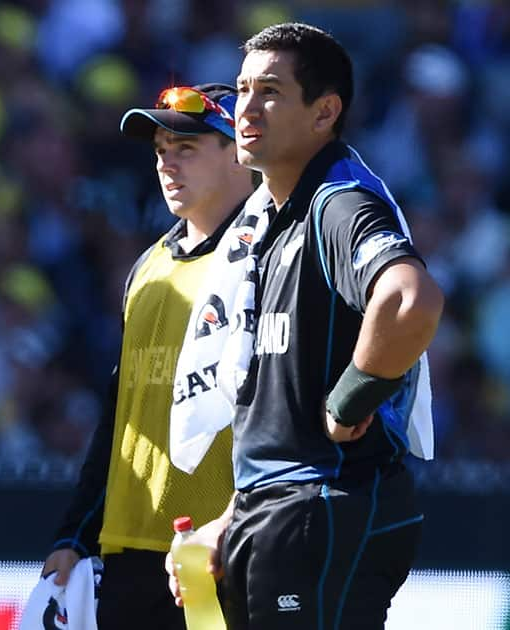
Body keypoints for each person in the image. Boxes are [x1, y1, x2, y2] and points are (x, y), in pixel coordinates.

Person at [164, 23, 444, 630]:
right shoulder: (271, 215)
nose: (247, 108)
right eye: (241, 90)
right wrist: (232, 518)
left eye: (270, 91)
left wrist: (351, 399)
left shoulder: (338, 201)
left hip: (323, 507)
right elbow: (280, 411)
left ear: (325, 113)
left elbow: (409, 299)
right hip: (277, 509)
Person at [40, 83, 256, 629]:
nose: (167, 164)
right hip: (129, 551)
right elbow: (121, 413)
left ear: (238, 152)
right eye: (161, 150)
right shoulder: (147, 267)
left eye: (186, 148)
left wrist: (236, 527)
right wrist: (75, 533)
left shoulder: (270, 261)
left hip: (226, 552)